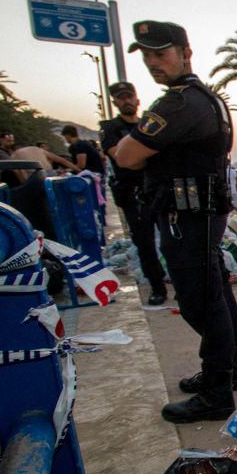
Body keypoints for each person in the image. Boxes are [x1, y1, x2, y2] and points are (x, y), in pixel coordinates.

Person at [113, 20, 237, 423]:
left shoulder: (179, 103)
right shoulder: (208, 99)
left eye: (161, 53)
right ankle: (226, 372)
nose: (153, 62)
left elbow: (127, 156)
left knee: (199, 302)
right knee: (215, 291)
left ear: (185, 52)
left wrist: (133, 145)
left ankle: (217, 391)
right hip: (199, 212)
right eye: (147, 56)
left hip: (187, 215)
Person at [99, 81, 167, 306]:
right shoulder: (110, 128)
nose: (126, 101)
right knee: (145, 243)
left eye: (129, 96)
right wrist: (141, 159)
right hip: (133, 195)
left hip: (157, 191)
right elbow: (123, 158)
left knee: (171, 240)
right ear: (115, 102)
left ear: (137, 100)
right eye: (121, 98)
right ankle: (157, 287)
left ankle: (179, 284)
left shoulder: (149, 125)